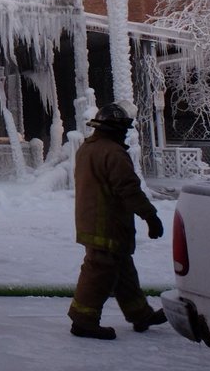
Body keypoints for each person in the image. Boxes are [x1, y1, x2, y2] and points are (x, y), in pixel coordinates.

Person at [68, 103, 167, 340]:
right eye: (122, 128)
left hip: (94, 220)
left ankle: (140, 314)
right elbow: (128, 189)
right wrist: (150, 216)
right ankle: (83, 321)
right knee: (98, 271)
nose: (125, 132)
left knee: (123, 270)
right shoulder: (113, 153)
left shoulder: (88, 148)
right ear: (113, 128)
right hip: (106, 224)